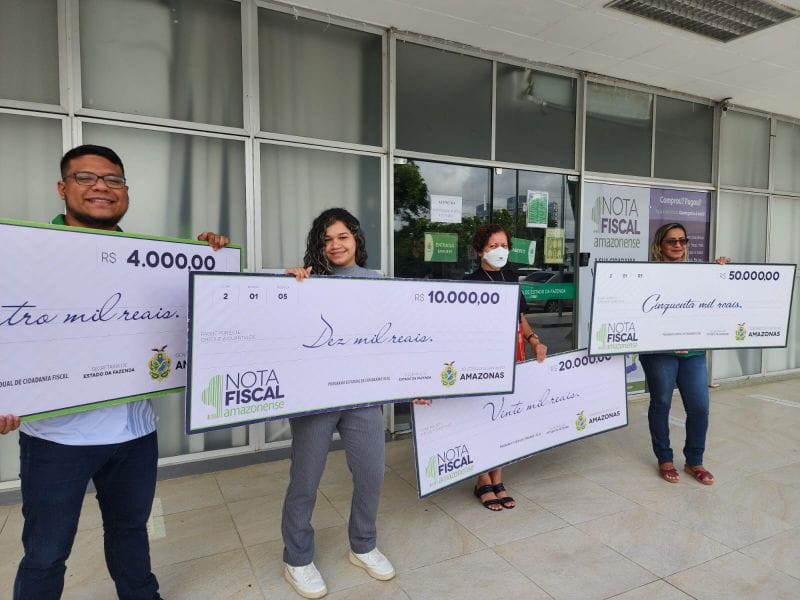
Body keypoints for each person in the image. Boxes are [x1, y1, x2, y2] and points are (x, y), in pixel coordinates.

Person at [1, 144, 229, 600]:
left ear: (125, 191)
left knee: (130, 533)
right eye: (86, 178)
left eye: (113, 179)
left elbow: (187, 315)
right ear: (62, 188)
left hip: (135, 434)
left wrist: (208, 259)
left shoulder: (143, 258)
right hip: (58, 440)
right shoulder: (23, 254)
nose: (101, 187)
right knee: (46, 552)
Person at [281, 208, 395, 599]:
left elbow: (395, 336)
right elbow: (284, 330)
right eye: (327, 239)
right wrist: (287, 290)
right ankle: (297, 558)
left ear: (356, 239)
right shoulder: (306, 281)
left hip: (362, 396)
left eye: (342, 236)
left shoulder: (377, 281)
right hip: (315, 397)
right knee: (305, 479)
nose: (335, 245)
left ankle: (363, 545)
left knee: (371, 473)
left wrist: (415, 378)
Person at [464, 224, 547, 510]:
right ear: (480, 251)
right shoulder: (470, 282)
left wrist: (535, 340)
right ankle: (482, 479)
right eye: (493, 246)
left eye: (504, 245)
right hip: (482, 359)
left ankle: (498, 477)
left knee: (503, 416)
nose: (500, 250)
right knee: (483, 416)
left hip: (512, 355)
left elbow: (520, 318)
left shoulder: (511, 278)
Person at [641, 222, 729, 486]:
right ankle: (665, 458)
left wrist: (723, 273)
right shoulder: (645, 274)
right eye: (671, 241)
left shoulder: (700, 273)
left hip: (693, 352)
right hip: (659, 351)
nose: (678, 245)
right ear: (659, 245)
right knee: (661, 403)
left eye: (683, 240)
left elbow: (720, 298)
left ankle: (694, 461)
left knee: (700, 407)